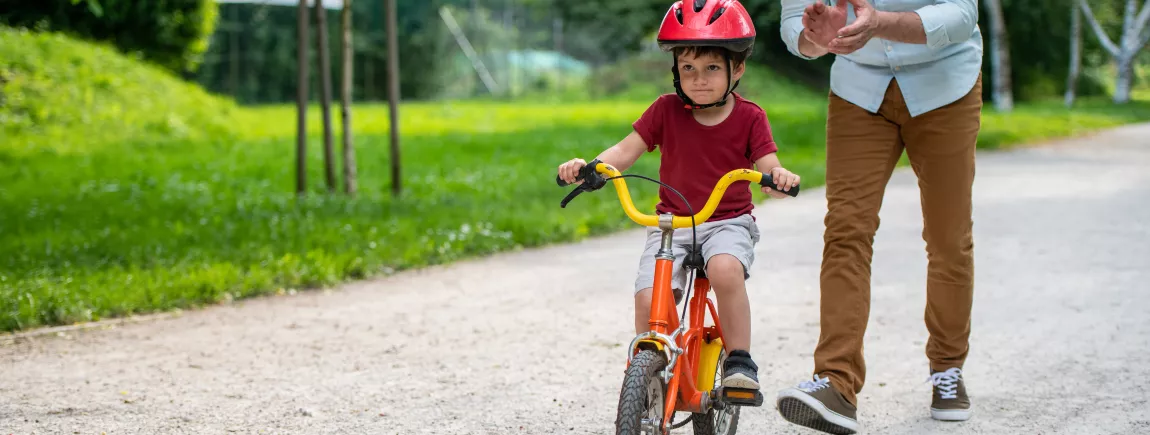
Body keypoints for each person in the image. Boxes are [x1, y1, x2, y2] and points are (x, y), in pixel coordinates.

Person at [557, 0, 800, 390]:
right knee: (648, 295)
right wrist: (590, 167)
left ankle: (740, 361)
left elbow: (768, 165)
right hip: (672, 224)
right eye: (688, 69)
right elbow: (624, 152)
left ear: (736, 69)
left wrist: (778, 178)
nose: (698, 79)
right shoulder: (665, 110)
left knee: (724, 270)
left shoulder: (750, 117)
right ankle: (653, 365)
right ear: (675, 71)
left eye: (711, 69)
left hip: (726, 222)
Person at [773, 0, 983, 432]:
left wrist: (880, 25)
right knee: (846, 231)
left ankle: (947, 370)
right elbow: (795, 22)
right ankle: (835, 383)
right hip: (858, 90)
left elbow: (963, 15)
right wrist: (818, 39)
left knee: (948, 238)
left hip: (945, 84)